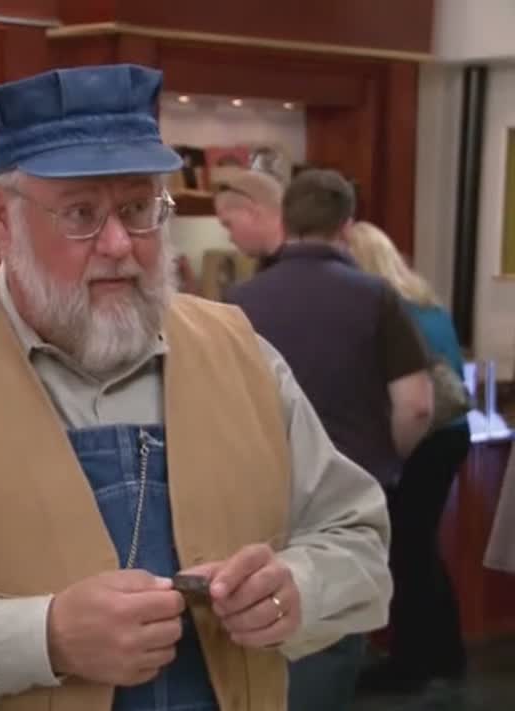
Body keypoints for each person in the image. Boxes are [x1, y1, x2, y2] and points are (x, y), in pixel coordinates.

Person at [0, 64, 392, 711]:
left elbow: (358, 543)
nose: (118, 243)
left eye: (137, 209)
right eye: (80, 214)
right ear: (2, 217)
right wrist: (42, 637)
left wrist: (296, 588)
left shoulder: (243, 356)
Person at [225, 170, 434, 710]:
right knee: (330, 648)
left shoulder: (236, 303)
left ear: (286, 219)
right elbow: (417, 403)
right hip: (348, 507)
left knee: (251, 653)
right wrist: (386, 463)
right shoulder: (375, 296)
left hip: (256, 504)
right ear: (346, 225)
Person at [346, 220, 470, 693]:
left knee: (405, 551)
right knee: (421, 548)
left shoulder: (389, 313)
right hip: (450, 435)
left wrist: (390, 454)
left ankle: (411, 663)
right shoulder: (428, 304)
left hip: (418, 439)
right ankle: (445, 655)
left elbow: (404, 399)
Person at [214, 167, 286, 272]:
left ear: (252, 212)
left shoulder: (292, 272)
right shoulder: (270, 266)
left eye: (229, 224)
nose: (230, 238)